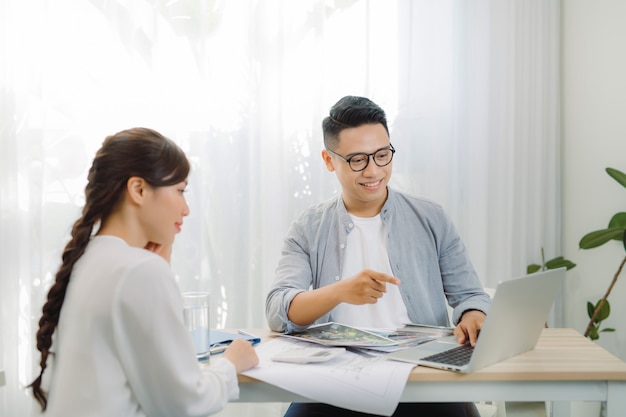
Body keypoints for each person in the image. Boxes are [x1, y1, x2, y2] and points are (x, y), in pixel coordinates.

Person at [265, 96, 490, 417]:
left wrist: (473, 316)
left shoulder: (431, 217)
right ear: (329, 161)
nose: (374, 171)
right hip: (333, 380)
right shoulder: (308, 227)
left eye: (382, 155)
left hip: (421, 376)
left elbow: (470, 296)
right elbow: (277, 310)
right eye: (357, 160)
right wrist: (340, 291)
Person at [28, 127, 258, 416]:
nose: (186, 209)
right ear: (138, 189)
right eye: (180, 191)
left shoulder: (87, 260)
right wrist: (231, 362)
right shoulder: (139, 271)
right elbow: (183, 404)